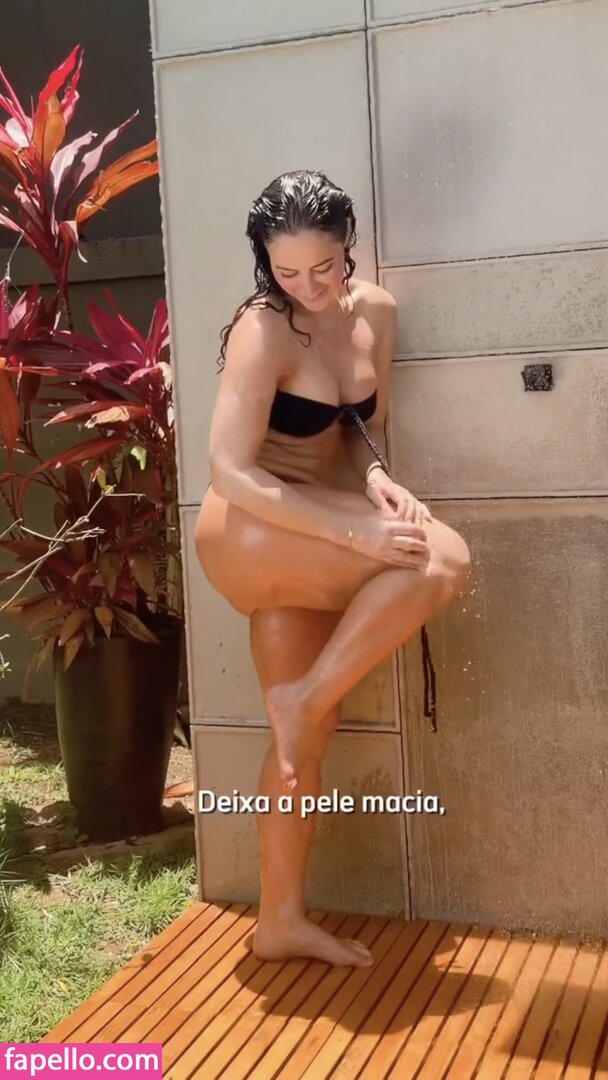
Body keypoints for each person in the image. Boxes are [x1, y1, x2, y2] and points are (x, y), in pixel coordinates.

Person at [195, 169, 471, 968]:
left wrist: (376, 478)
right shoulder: (263, 329)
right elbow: (228, 470)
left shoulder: (374, 312)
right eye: (287, 271)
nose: (308, 286)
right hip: (251, 530)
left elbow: (353, 426)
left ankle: (279, 920)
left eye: (323, 267)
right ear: (265, 262)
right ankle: (304, 698)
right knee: (442, 558)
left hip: (313, 529)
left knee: (301, 742)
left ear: (347, 242)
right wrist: (355, 534)